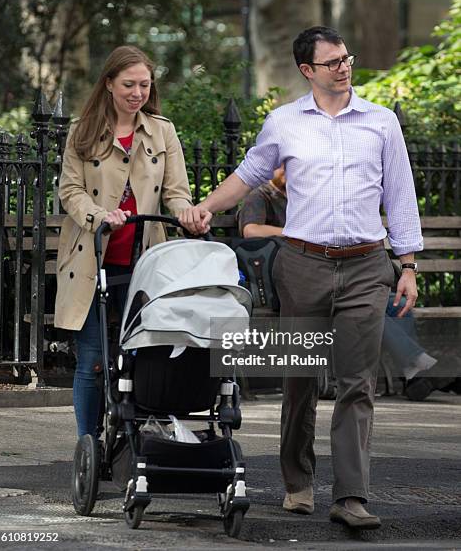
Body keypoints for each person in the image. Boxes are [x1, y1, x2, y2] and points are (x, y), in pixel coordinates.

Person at [179, 26, 423, 529]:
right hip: (303, 266)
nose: (344, 67)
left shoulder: (380, 123)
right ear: (307, 70)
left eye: (346, 58)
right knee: (301, 381)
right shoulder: (284, 122)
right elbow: (248, 174)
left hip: (365, 265)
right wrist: (203, 206)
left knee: (358, 384)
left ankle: (351, 496)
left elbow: (400, 195)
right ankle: (297, 481)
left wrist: (409, 265)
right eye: (332, 61)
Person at [54, 46, 192, 439]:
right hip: (92, 258)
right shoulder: (83, 130)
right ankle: (88, 446)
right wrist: (100, 215)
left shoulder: (162, 130)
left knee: (144, 355)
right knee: (94, 360)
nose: (137, 92)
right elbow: (71, 190)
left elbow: (176, 191)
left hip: (144, 260)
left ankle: (136, 435)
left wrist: (186, 212)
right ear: (109, 84)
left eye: (144, 84)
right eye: (129, 84)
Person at [237, 169, 437, 384]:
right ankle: (416, 368)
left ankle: (413, 372)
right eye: (281, 165)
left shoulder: (305, 194)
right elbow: (251, 230)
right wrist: (296, 233)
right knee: (369, 309)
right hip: (293, 280)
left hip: (332, 272)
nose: (288, 169)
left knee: (395, 304)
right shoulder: (259, 196)